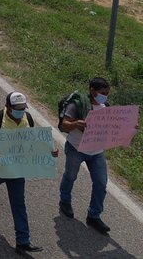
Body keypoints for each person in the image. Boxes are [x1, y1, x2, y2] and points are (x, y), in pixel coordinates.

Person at [0, 92, 58, 254]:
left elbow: (33, 142)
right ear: (8, 107)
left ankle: (23, 241)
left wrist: (50, 150)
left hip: (17, 170)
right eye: (17, 108)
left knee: (19, 204)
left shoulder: (28, 119)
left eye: (23, 108)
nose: (20, 111)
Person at [59, 77, 132, 234]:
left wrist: (130, 126)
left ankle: (94, 215)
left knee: (100, 183)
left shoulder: (105, 107)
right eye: (102, 93)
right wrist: (76, 124)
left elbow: (114, 126)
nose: (105, 96)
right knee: (70, 176)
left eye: (107, 93)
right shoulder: (77, 105)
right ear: (92, 90)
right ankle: (65, 201)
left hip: (96, 151)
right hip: (76, 148)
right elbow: (64, 125)